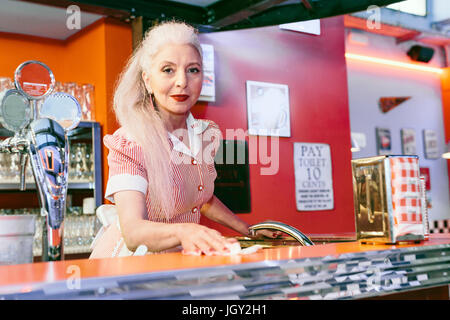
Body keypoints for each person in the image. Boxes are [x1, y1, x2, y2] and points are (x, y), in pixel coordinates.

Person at [89, 20, 278, 259]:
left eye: (193, 70)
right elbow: (133, 232)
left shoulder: (205, 134)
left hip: (176, 258)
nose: (182, 82)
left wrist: (249, 230)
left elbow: (202, 199)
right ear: (148, 80)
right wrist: (185, 231)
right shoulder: (130, 142)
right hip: (132, 262)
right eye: (168, 70)